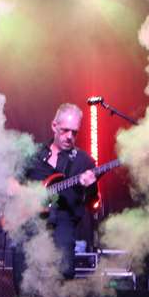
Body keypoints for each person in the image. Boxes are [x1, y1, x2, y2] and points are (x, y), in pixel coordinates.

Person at [21, 103, 99, 279]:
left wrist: (91, 186)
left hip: (63, 231)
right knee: (27, 283)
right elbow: (14, 183)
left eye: (74, 132)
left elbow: (92, 202)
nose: (70, 136)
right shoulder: (33, 155)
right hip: (32, 228)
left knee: (63, 279)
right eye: (65, 130)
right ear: (54, 126)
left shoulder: (84, 161)